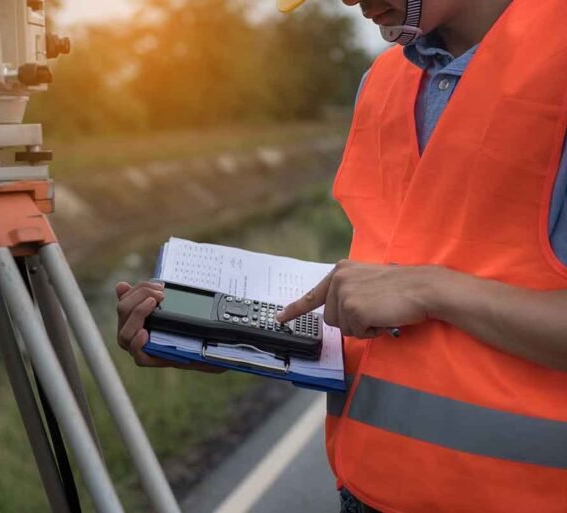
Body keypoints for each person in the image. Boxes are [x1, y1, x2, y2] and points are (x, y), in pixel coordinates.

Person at [115, 0, 567, 511]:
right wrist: (230, 340)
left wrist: (432, 288)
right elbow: (385, 309)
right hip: (367, 492)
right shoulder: (384, 82)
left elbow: (413, 290)